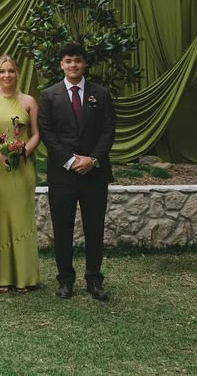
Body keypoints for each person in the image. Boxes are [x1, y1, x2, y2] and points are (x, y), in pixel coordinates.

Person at [38, 42, 116, 301]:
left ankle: (94, 280)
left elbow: (108, 131)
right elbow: (47, 134)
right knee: (63, 228)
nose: (73, 65)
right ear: (61, 64)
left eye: (78, 60)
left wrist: (92, 159)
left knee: (95, 228)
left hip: (94, 174)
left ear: (85, 64)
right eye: (68, 60)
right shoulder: (49, 95)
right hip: (63, 175)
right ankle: (65, 281)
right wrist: (71, 161)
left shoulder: (101, 94)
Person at [0, 55, 41, 293]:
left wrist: (24, 151)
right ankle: (1, 276)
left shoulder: (28, 101)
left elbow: (36, 133)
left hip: (23, 166)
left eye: (11, 71)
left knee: (21, 217)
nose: (7, 75)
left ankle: (24, 276)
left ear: (17, 73)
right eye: (2, 71)